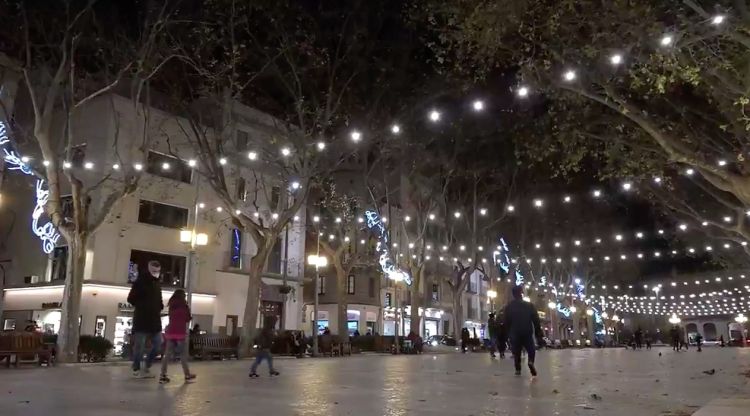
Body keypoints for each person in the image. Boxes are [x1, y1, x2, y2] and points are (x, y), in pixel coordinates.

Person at [127, 260, 164, 378]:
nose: (156, 273)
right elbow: (131, 299)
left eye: (158, 271)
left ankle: (147, 365)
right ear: (149, 269)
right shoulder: (140, 282)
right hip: (142, 319)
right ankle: (136, 368)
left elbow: (159, 298)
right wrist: (143, 304)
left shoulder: (157, 283)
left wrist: (160, 306)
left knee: (158, 344)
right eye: (154, 271)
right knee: (139, 346)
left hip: (155, 320)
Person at [504, 285, 544, 376]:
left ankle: (518, 369)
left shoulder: (509, 306)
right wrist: (539, 334)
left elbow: (506, 321)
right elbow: (536, 321)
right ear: (521, 293)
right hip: (527, 331)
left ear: (513, 294)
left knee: (517, 351)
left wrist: (507, 334)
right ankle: (530, 362)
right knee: (531, 349)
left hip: (515, 332)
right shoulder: (529, 305)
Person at [159, 290, 196, 384]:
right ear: (183, 296)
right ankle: (187, 375)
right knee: (183, 355)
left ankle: (162, 375)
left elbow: (171, 317)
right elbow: (188, 318)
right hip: (180, 333)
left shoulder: (171, 305)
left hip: (171, 332)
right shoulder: (184, 305)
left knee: (167, 355)